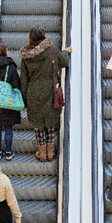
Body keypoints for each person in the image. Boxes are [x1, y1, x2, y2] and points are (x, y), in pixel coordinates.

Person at [20, 26, 72, 162]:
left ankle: (42, 153)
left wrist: (24, 100)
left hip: (33, 92)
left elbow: (23, 80)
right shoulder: (52, 51)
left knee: (38, 124)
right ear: (43, 36)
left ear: (30, 38)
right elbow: (64, 62)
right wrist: (66, 52)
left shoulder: (26, 56)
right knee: (49, 122)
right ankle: (50, 152)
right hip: (50, 90)